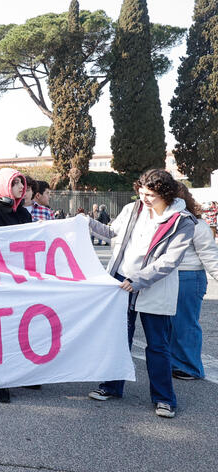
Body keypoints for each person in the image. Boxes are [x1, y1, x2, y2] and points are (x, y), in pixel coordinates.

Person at [86, 169, 196, 419]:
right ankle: (111, 387)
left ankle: (164, 399)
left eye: (151, 195)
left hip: (153, 288)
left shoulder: (182, 220)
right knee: (117, 339)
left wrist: (138, 280)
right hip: (119, 283)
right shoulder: (132, 209)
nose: (144, 198)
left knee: (158, 346)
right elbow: (111, 232)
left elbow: (170, 260)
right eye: (142, 192)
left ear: (165, 194)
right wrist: (86, 223)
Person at [0, 168, 33, 404]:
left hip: (20, 281)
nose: (21, 188)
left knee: (19, 330)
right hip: (0, 282)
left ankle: (23, 375)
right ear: (5, 186)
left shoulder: (23, 213)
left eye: (22, 184)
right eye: (15, 184)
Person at [168, 185, 218, 380]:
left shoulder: (197, 225)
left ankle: (190, 367)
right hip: (167, 277)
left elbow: (211, 257)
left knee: (185, 324)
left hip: (189, 277)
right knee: (170, 325)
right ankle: (175, 362)